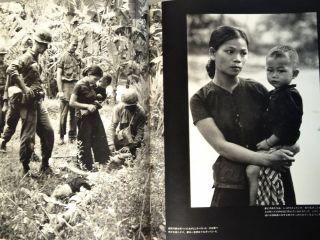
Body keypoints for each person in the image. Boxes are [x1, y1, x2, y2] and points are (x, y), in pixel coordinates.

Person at [189, 26, 297, 207]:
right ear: (213, 53)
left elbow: (286, 127)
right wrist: (265, 159)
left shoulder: (257, 90)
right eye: (230, 51)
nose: (237, 59)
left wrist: (284, 151)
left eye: (243, 53)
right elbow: (221, 146)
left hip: (271, 177)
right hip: (230, 185)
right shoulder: (200, 99)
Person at [246, 45, 303, 206]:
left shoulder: (288, 96)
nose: (274, 75)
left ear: (295, 73)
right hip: (278, 141)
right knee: (254, 170)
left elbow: (287, 126)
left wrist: (268, 142)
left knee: (252, 170)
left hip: (280, 142)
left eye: (281, 71)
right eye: (270, 70)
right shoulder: (276, 93)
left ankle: (254, 207)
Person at [6, 27, 54, 175]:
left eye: (46, 45)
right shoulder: (27, 57)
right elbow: (11, 69)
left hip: (37, 102)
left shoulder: (38, 58)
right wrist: (25, 88)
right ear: (35, 42)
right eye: (42, 44)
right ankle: (26, 168)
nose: (45, 47)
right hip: (27, 103)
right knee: (28, 137)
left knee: (48, 132)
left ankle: (45, 165)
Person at [69, 65, 110, 171]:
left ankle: (103, 163)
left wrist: (96, 102)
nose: (96, 82)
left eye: (98, 80)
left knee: (99, 137)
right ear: (88, 75)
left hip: (93, 114)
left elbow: (90, 97)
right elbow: (72, 103)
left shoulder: (91, 84)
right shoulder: (79, 85)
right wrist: (87, 106)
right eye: (95, 79)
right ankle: (85, 166)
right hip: (83, 116)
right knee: (85, 140)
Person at [0, 37, 33, 153]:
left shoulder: (34, 64)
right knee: (11, 124)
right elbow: (7, 86)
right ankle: (3, 142)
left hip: (27, 99)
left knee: (28, 124)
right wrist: (5, 102)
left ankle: (29, 151)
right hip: (16, 98)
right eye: (24, 51)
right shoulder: (16, 64)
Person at [56, 38, 81, 145]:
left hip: (75, 88)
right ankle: (61, 136)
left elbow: (80, 75)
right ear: (68, 44)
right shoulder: (62, 57)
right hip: (65, 87)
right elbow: (58, 76)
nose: (74, 47)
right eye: (73, 45)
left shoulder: (78, 58)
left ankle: (72, 136)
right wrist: (60, 91)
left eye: (76, 45)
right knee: (63, 115)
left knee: (74, 115)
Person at [107, 88, 146, 156]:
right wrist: (110, 143)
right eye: (126, 106)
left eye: (131, 106)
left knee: (134, 155)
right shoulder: (118, 108)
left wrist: (130, 146)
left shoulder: (141, 112)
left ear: (136, 104)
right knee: (112, 152)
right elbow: (112, 127)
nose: (128, 108)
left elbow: (140, 132)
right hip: (122, 136)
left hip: (134, 138)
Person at [0, 47, 8, 139]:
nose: (2, 57)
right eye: (0, 55)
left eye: (3, 55)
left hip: (4, 93)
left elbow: (8, 80)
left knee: (3, 113)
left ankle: (1, 130)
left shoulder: (6, 67)